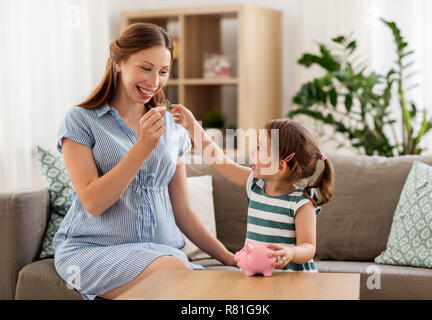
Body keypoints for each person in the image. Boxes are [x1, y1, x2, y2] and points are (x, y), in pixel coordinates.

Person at [53, 23, 235, 300]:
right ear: (118, 62)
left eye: (163, 72)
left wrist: (229, 258)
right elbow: (93, 202)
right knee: (176, 276)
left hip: (163, 253)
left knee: (191, 280)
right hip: (93, 249)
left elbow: (182, 208)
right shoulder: (81, 121)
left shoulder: (172, 126)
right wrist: (142, 147)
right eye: (145, 68)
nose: (155, 82)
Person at [172, 105, 335, 272]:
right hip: (260, 275)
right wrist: (192, 126)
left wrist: (292, 252)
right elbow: (217, 159)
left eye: (259, 148)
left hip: (294, 280)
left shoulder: (301, 204)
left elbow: (308, 246)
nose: (251, 152)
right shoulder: (255, 184)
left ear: (280, 166)